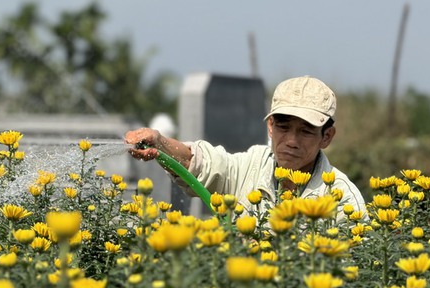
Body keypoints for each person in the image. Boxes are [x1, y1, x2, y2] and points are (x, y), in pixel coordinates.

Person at [125, 75, 366, 220]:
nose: (292, 140)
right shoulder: (251, 165)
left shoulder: (342, 200)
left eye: (305, 131)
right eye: (283, 127)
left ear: (327, 137)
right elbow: (201, 163)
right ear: (270, 126)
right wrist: (160, 142)